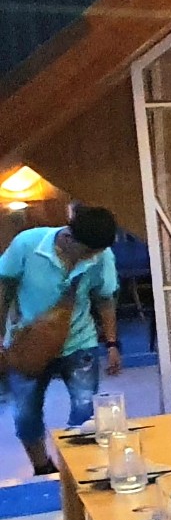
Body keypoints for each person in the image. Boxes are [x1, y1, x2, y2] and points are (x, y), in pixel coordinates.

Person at [1, 204, 121, 476]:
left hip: (79, 342)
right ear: (68, 238)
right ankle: (42, 467)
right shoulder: (27, 244)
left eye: (97, 253)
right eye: (88, 252)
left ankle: (74, 469)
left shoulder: (102, 256)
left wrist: (112, 344)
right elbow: (3, 287)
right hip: (28, 343)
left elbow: (104, 300)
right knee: (25, 414)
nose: (93, 257)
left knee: (85, 410)